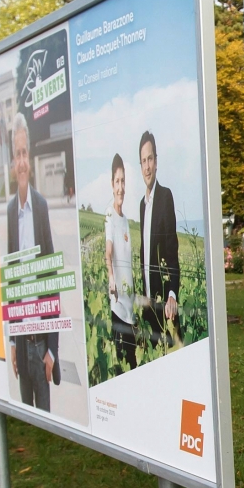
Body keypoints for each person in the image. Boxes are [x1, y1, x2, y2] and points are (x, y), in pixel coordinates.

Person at [4, 110, 59, 409]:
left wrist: (52, 348)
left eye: (25, 153)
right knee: (27, 421)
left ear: (30, 157)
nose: (22, 161)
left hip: (41, 348)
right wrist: (12, 342)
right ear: (12, 163)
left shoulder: (41, 207)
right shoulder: (11, 212)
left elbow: (51, 278)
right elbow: (12, 283)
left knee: (48, 424)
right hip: (22, 347)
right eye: (17, 154)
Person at [137, 130, 180, 348]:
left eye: (150, 159)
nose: (147, 166)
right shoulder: (142, 205)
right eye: (143, 161)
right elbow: (144, 252)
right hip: (147, 307)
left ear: (156, 162)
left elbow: (172, 252)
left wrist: (172, 294)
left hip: (164, 305)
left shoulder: (165, 197)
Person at [105, 154, 137, 373]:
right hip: (118, 306)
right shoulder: (109, 216)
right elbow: (108, 253)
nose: (120, 187)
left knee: (133, 364)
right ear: (111, 184)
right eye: (117, 181)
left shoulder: (126, 221)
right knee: (121, 366)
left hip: (130, 307)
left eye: (123, 181)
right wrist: (111, 279)